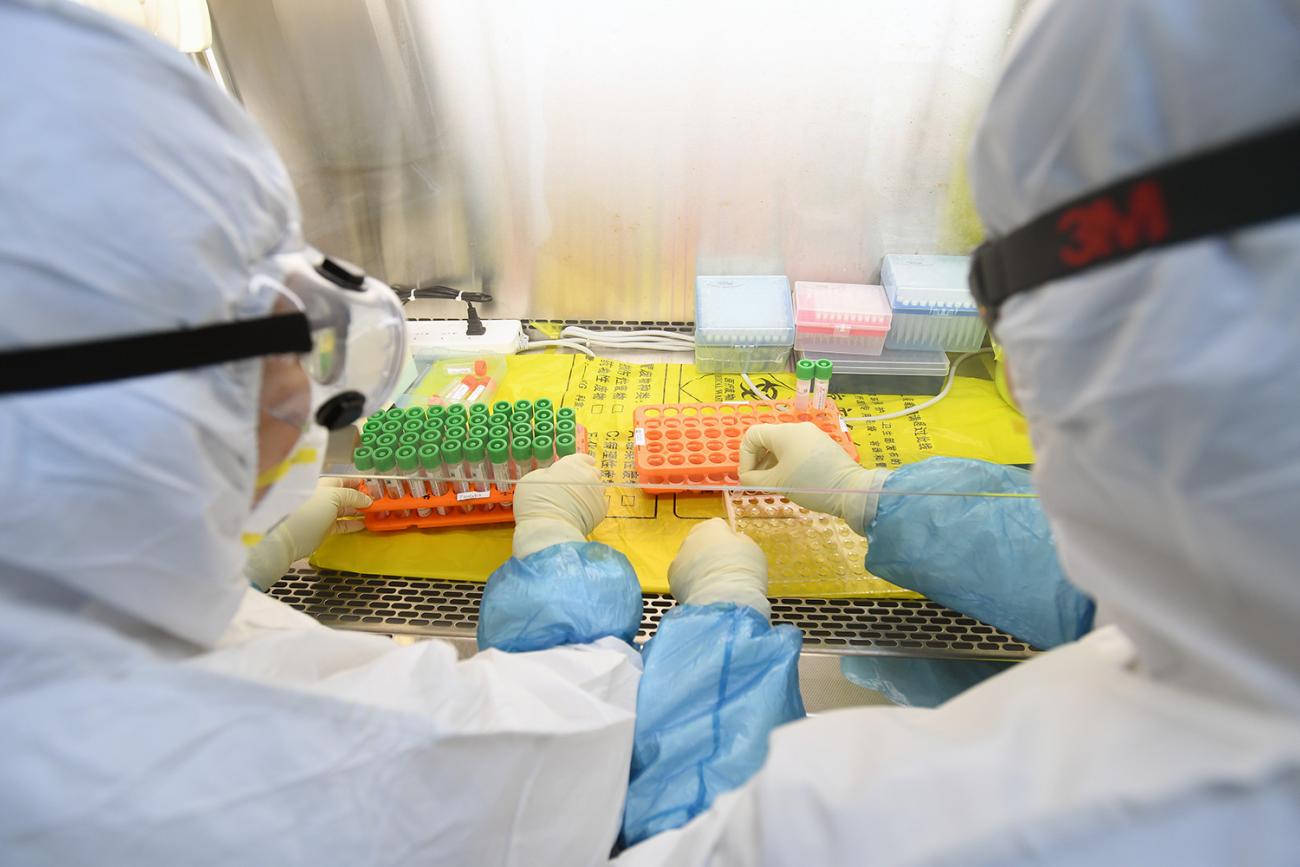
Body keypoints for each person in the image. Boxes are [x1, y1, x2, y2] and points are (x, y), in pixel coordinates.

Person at [611, 0, 1300, 860]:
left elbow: (700, 840)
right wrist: (867, 495)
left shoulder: (942, 826)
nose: (1009, 369)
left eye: (1005, 293)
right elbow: (1141, 578)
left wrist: (718, 626)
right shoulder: (1254, 592)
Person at [0, 3, 647, 863]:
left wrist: (247, 567)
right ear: (132, 402)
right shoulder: (225, 759)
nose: (303, 382)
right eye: (279, 328)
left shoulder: (54, 588)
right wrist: (562, 556)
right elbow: (563, 748)